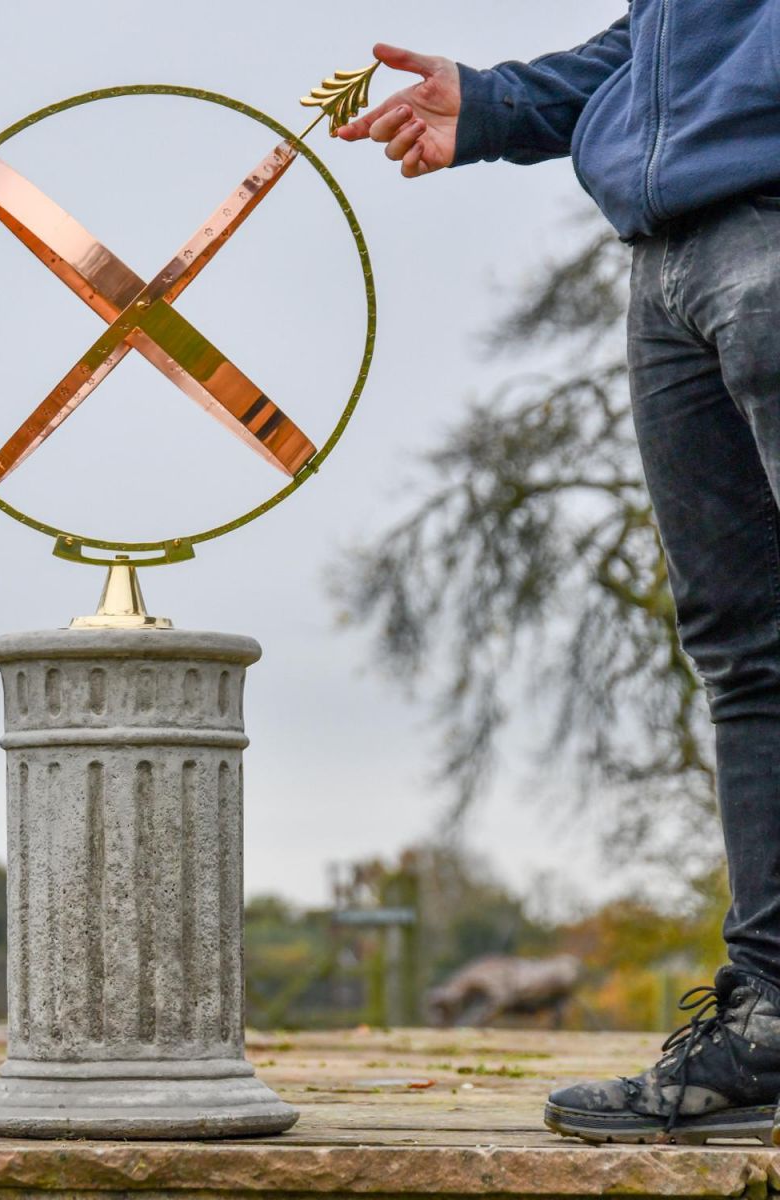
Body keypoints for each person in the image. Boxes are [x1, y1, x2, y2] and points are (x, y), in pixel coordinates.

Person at [336, 2, 780, 1146]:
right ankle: (774, 1018)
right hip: (667, 259)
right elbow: (670, 45)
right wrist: (491, 106)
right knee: (745, 649)